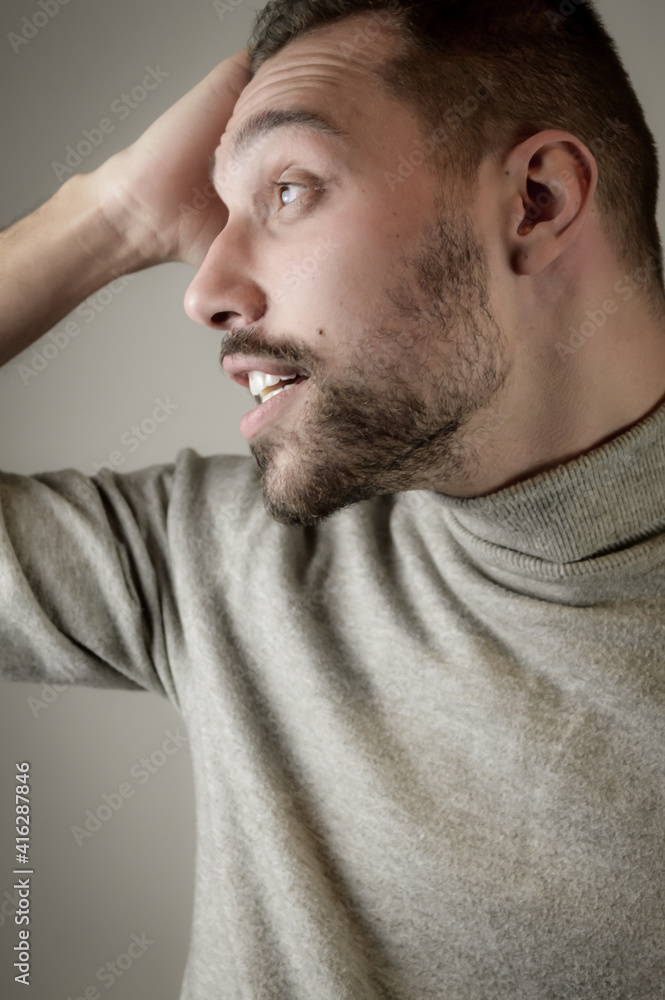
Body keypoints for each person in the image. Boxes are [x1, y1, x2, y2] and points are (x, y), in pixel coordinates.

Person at [2, 0, 665, 997]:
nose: (204, 290)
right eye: (221, 211)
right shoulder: (218, 560)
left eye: (289, 189)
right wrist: (111, 217)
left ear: (535, 200)